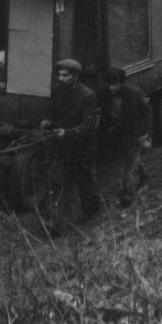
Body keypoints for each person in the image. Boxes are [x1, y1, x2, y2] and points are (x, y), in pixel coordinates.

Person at [41, 59, 102, 222]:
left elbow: (89, 126)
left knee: (85, 181)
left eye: (65, 75)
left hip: (82, 147)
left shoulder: (87, 96)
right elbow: (51, 110)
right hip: (61, 146)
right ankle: (54, 221)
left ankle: (91, 213)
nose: (60, 78)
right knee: (57, 181)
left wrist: (67, 133)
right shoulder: (58, 91)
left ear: (75, 76)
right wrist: (47, 120)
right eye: (59, 75)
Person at [99, 67, 152, 208]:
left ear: (122, 82)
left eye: (114, 84)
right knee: (130, 158)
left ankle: (127, 194)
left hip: (135, 132)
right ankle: (144, 175)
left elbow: (146, 114)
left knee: (129, 164)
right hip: (119, 132)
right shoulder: (104, 93)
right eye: (108, 84)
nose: (111, 87)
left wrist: (144, 134)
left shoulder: (134, 93)